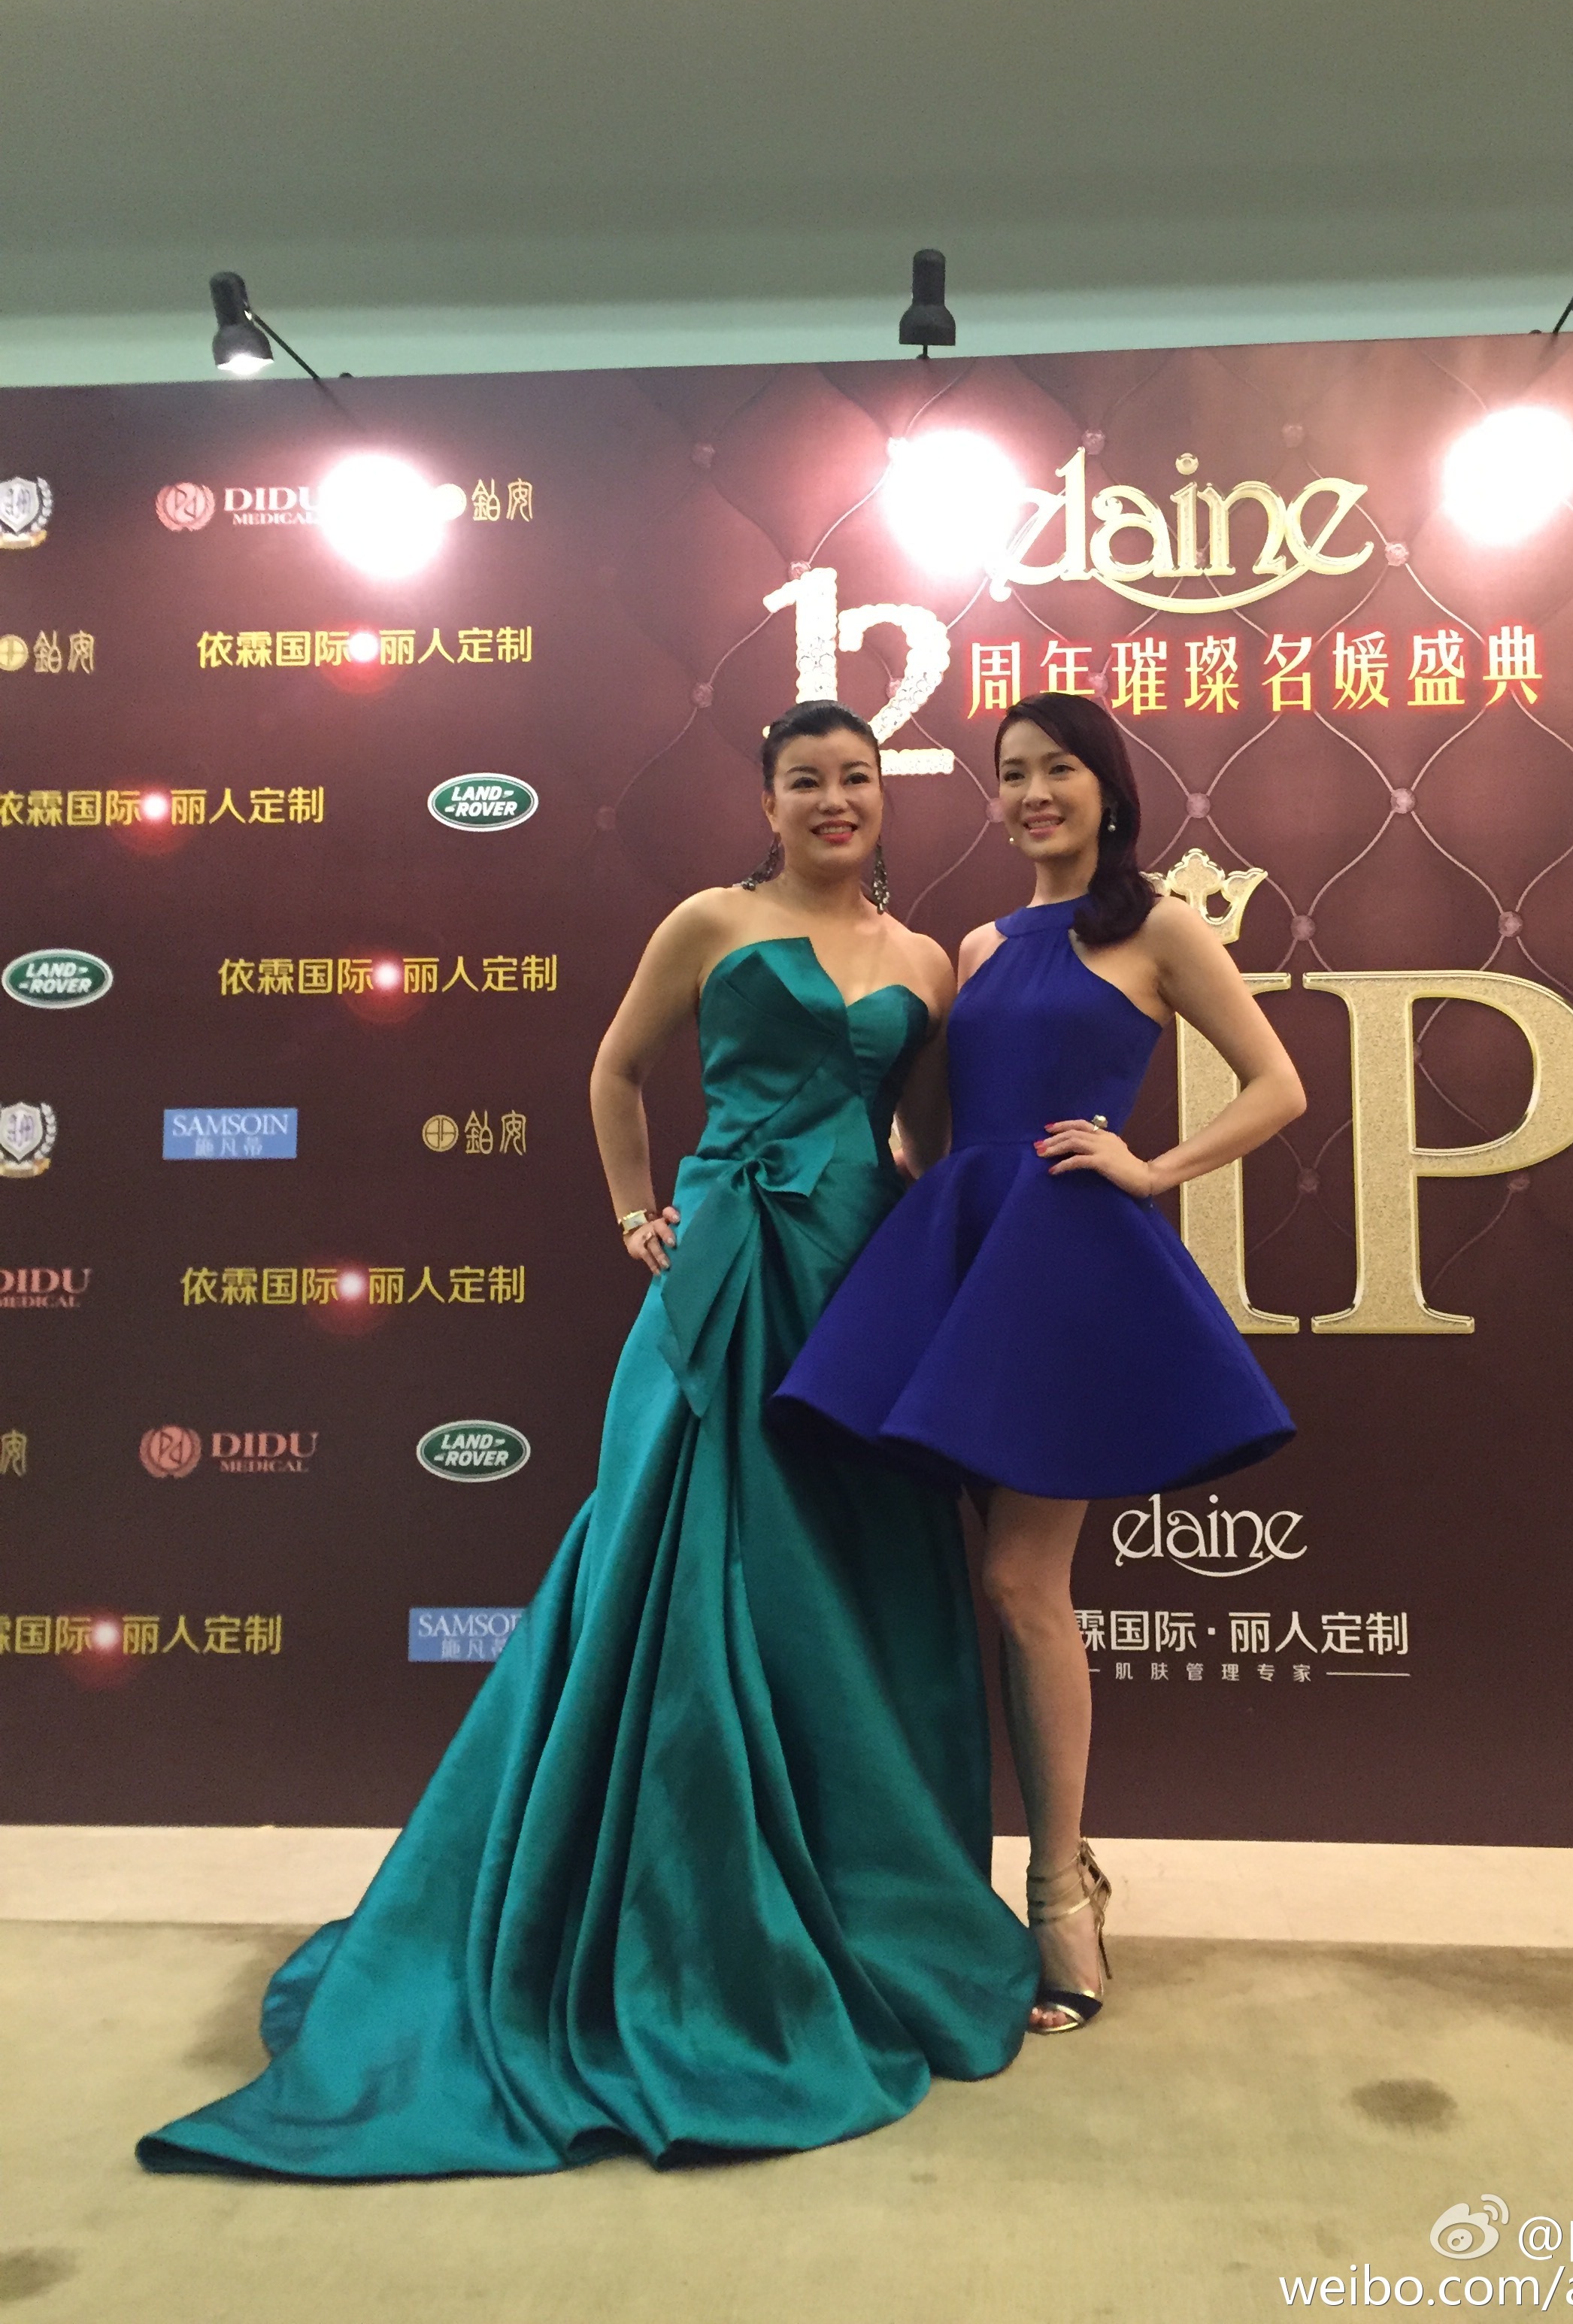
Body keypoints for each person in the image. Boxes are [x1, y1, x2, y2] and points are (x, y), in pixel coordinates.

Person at [138, 700, 1036, 2179]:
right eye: (805, 781)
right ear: (767, 801)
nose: (835, 800)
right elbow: (615, 1068)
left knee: (859, 1576)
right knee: (691, 1566)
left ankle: (863, 1893)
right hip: (727, 1265)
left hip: (857, 1280)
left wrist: (948, 1262)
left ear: (885, 797)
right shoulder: (710, 922)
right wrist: (637, 1213)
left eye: (856, 779)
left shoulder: (929, 960)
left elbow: (920, 1142)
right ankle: (682, 1921)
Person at [776, 692, 1305, 2032]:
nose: (1031, 794)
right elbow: (927, 1125)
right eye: (1011, 774)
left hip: (1065, 1267)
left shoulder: (1160, 925)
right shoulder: (979, 942)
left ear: (1107, 788)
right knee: (948, 1575)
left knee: (1022, 1582)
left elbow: (1279, 1086)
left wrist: (1154, 1168)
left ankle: (1061, 1889)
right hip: (958, 1253)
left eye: (1057, 768)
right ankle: (927, 1880)